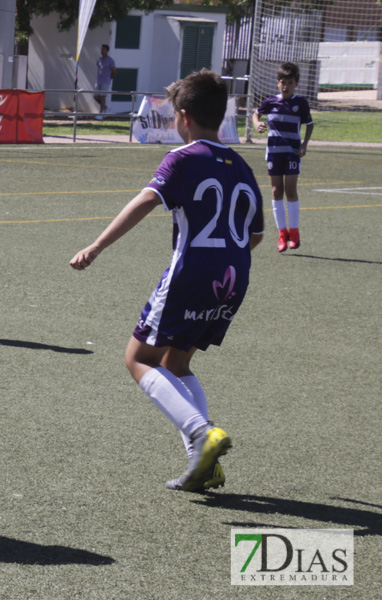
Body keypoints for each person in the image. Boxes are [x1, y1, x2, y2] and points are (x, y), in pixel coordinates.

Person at [70, 69, 264, 492]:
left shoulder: (183, 157)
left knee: (138, 359)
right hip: (235, 276)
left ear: (183, 116)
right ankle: (205, 464)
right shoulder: (243, 167)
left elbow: (146, 200)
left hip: (193, 272)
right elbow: (255, 235)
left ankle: (200, 433)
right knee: (177, 362)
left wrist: (97, 246)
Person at [252, 62, 314, 252]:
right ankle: (282, 234)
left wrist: (304, 145)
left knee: (290, 191)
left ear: (296, 84)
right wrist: (257, 124)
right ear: (277, 82)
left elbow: (310, 124)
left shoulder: (300, 103)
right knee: (276, 191)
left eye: (289, 82)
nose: (285, 86)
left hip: (292, 153)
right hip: (274, 153)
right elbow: (256, 114)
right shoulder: (271, 102)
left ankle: (294, 233)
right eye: (282, 82)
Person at [94, 44, 116, 119]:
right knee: (96, 96)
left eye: (103, 49)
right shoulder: (99, 60)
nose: (102, 51)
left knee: (102, 96)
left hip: (106, 81)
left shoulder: (110, 60)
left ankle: (101, 114)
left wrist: (110, 78)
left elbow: (114, 70)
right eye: (101, 49)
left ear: (107, 51)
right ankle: (106, 108)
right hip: (98, 81)